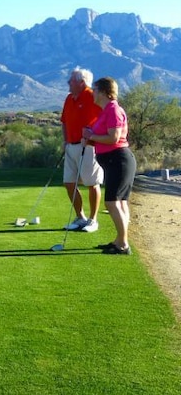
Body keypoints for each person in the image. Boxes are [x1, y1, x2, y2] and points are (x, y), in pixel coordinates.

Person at [82, 77, 137, 255]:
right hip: (115, 160)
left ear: (104, 91)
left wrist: (91, 136)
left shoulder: (113, 109)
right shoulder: (106, 111)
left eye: (95, 89)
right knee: (120, 203)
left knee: (112, 202)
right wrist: (90, 141)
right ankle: (120, 241)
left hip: (119, 160)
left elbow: (114, 138)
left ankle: (122, 244)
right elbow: (106, 140)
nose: (93, 93)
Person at [60, 67, 104, 232]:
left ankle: (93, 220)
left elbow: (105, 118)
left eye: (71, 80)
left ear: (81, 82)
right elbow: (64, 121)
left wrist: (94, 136)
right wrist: (65, 141)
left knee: (92, 183)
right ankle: (80, 217)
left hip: (89, 146)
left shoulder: (92, 96)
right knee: (69, 182)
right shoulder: (69, 98)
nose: (68, 83)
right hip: (71, 146)